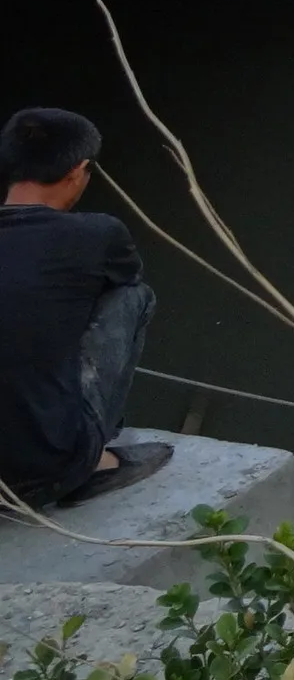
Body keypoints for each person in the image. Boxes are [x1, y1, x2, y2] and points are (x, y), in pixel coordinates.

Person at [0, 108, 170, 508]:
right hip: (44, 475)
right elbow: (126, 278)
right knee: (133, 296)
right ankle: (93, 458)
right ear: (78, 171)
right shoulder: (97, 233)